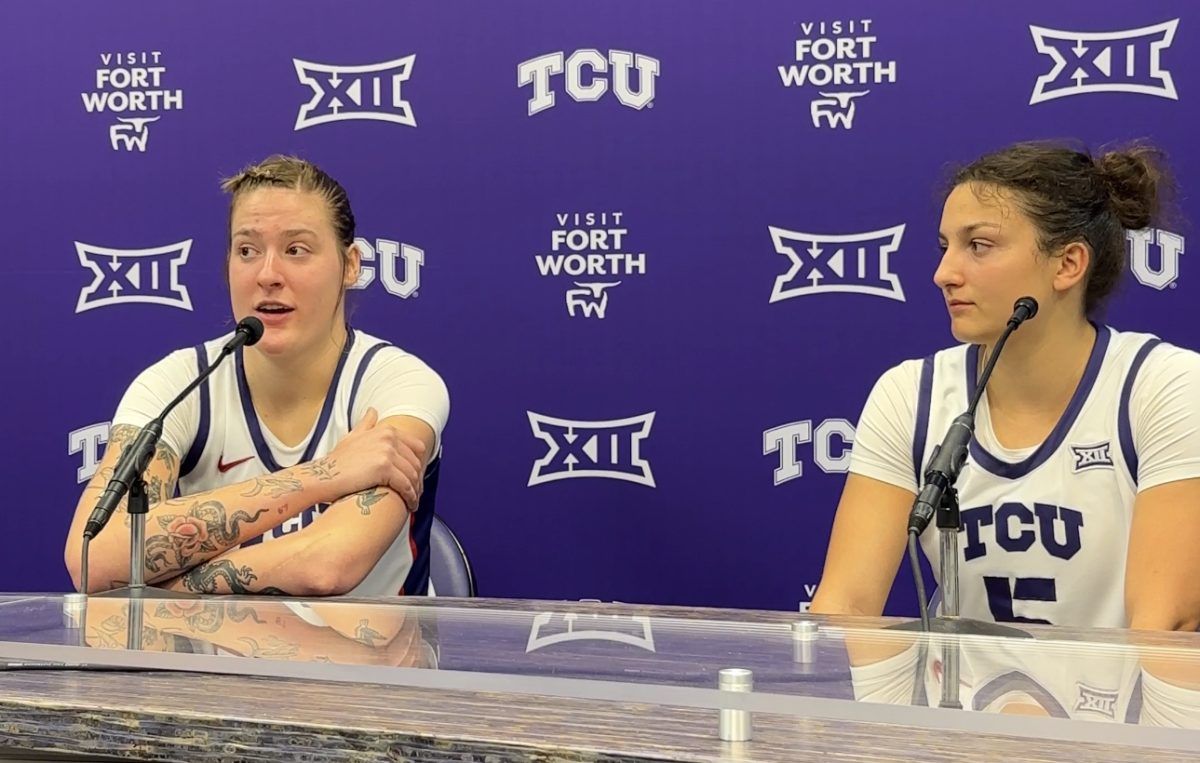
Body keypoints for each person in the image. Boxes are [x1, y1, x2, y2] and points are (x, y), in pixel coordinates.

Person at [810, 141, 1200, 631]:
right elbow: (842, 609)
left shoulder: (1163, 387)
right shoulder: (910, 393)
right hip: (952, 704)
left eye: (979, 245)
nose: (943, 274)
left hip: (1119, 706)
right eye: (945, 246)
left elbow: (1164, 631)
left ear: (1068, 264)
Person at [64, 155, 449, 597]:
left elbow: (327, 565)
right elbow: (93, 557)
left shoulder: (398, 384)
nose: (267, 275)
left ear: (350, 266)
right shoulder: (176, 384)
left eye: (296, 250)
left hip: (372, 665)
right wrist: (326, 474)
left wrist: (164, 586)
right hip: (213, 665)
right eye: (247, 251)